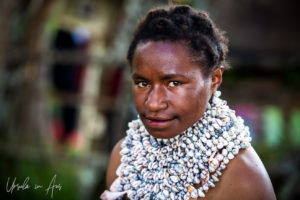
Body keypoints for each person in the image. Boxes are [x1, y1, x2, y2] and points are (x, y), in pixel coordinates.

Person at [101, 5, 276, 200]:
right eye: (142, 83)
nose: (153, 103)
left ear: (215, 79)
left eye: (174, 83)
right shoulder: (125, 159)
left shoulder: (242, 177)